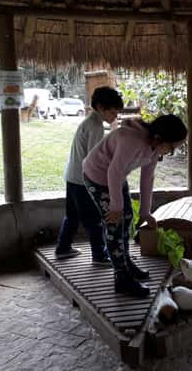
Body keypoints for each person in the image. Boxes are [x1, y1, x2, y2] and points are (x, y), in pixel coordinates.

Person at [83, 114, 187, 298]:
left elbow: (147, 178)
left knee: (128, 217)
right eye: (171, 148)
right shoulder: (131, 140)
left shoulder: (154, 147)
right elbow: (113, 171)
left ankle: (125, 261)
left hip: (116, 177)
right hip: (97, 177)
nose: (170, 152)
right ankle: (121, 278)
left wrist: (146, 212)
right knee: (115, 223)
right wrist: (115, 207)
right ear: (160, 138)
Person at [55, 87, 123, 265]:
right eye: (113, 112)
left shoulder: (89, 121)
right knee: (94, 219)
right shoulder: (96, 126)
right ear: (101, 107)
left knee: (72, 215)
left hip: (72, 176)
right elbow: (94, 159)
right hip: (83, 180)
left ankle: (63, 248)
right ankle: (99, 256)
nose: (115, 117)